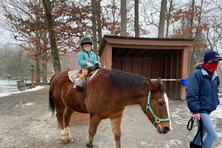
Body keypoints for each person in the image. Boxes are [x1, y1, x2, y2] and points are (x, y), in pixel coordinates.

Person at [186, 50, 222, 148]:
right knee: (212, 134)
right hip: (200, 110)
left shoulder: (215, 77)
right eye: (213, 61)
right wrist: (195, 111)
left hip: (207, 110)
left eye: (217, 61)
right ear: (206, 61)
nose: (216, 64)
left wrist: (216, 102)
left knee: (201, 132)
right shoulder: (197, 74)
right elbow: (191, 94)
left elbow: (214, 92)